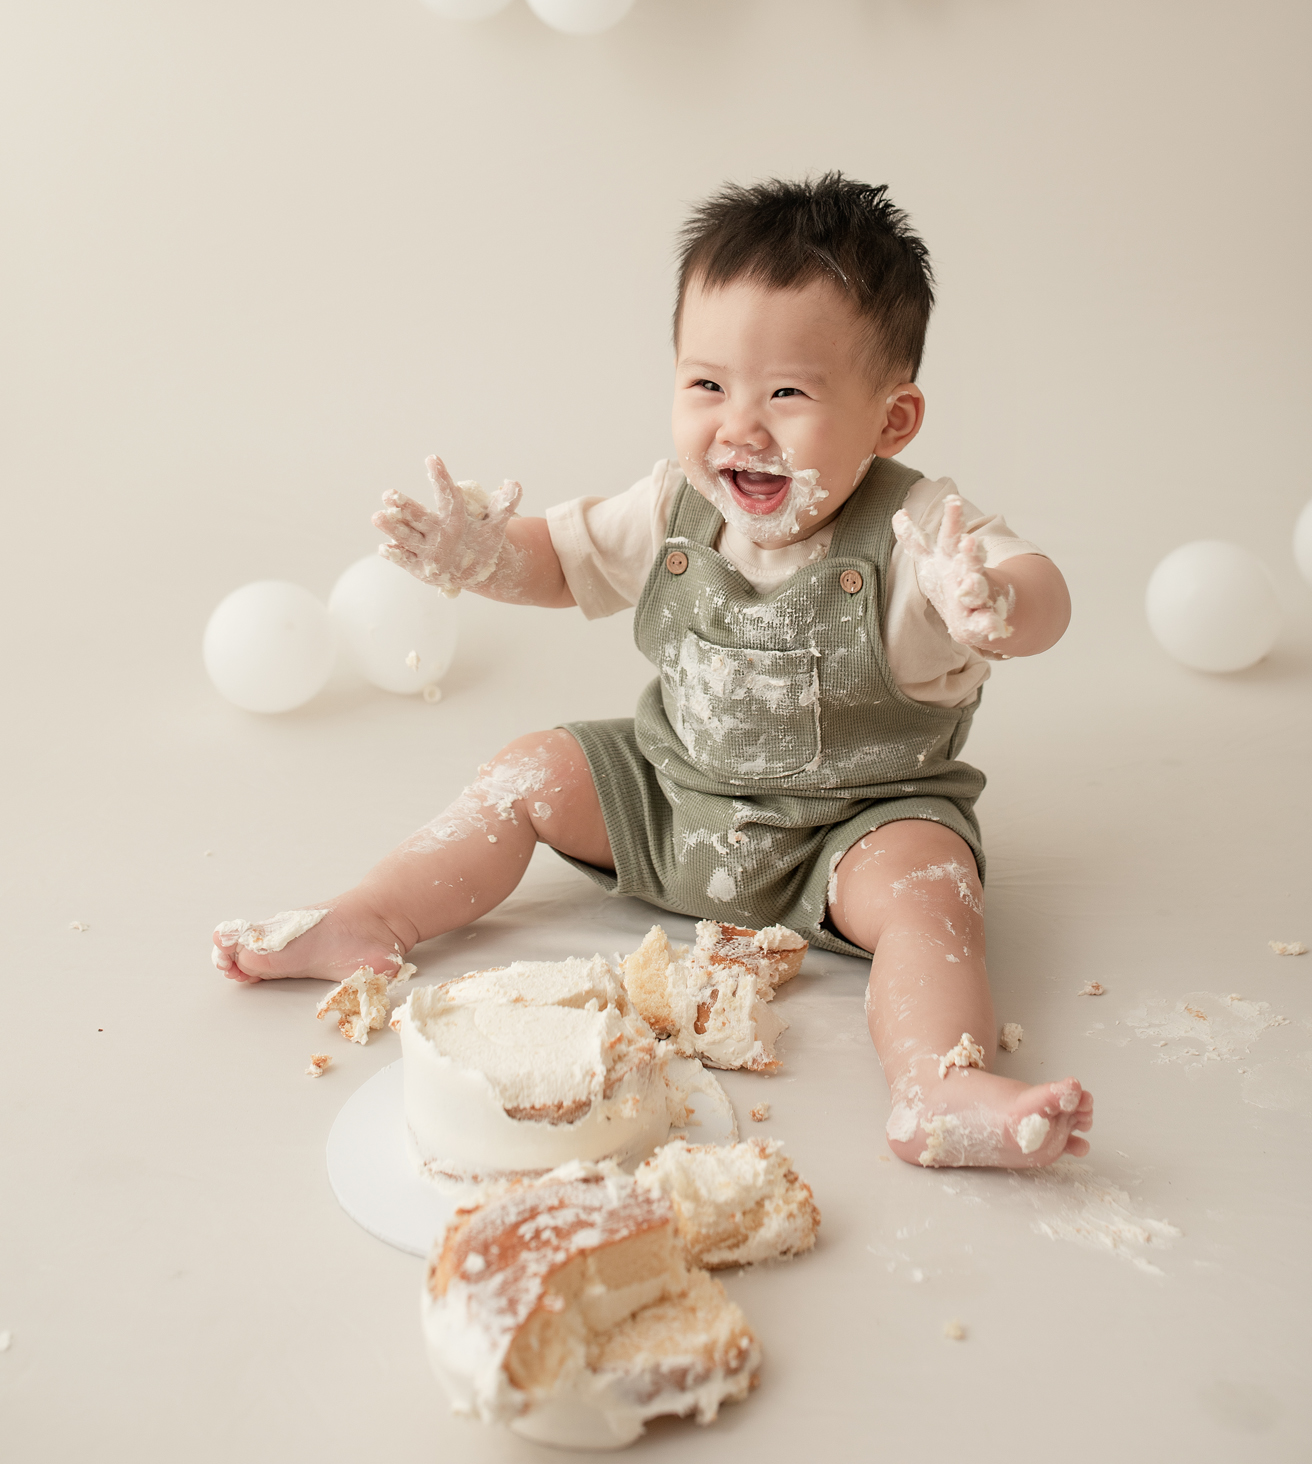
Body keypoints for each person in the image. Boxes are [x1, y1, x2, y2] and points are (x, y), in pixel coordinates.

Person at [212, 174, 1091, 1169]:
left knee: (930, 887)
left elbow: (1038, 585)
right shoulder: (676, 504)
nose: (740, 425)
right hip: (672, 799)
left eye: (788, 393)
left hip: (851, 833)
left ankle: (940, 1082)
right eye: (707, 384)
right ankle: (370, 913)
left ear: (892, 420)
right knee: (530, 768)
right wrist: (487, 555)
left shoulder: (922, 530)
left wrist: (996, 603)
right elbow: (558, 556)